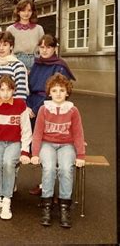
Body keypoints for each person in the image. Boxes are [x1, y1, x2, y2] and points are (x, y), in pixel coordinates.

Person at [31, 73, 85, 229]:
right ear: (49, 93)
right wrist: (35, 153)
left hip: (66, 144)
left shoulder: (73, 110)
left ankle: (64, 207)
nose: (58, 94)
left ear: (67, 92)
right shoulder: (44, 109)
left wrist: (80, 154)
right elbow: (38, 133)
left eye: (62, 90)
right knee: (48, 168)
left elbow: (78, 133)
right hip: (47, 144)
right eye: (54, 91)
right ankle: (46, 205)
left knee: (66, 169)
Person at [27, 34, 76, 196]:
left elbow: (56, 93)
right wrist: (27, 106)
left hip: (49, 107)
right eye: (41, 47)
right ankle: (45, 183)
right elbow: (29, 86)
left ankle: (55, 190)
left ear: (55, 48)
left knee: (53, 145)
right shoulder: (37, 63)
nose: (44, 50)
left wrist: (36, 108)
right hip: (33, 103)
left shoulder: (59, 66)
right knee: (41, 147)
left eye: (48, 47)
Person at [0, 75, 32, 220]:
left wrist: (25, 151)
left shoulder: (20, 105)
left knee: (8, 162)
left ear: (14, 90)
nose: (5, 93)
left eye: (9, 90)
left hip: (14, 142)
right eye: (2, 90)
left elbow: (26, 130)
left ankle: (7, 200)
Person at [6, 0, 45, 71]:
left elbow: (43, 48)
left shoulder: (39, 29)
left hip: (35, 62)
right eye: (23, 10)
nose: (26, 13)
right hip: (17, 61)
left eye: (29, 10)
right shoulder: (10, 29)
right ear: (18, 12)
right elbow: (8, 50)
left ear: (33, 12)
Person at [0, 31, 28, 100]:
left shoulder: (18, 66)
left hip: (12, 107)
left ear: (11, 47)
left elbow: (21, 93)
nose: (1, 48)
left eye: (5, 45)